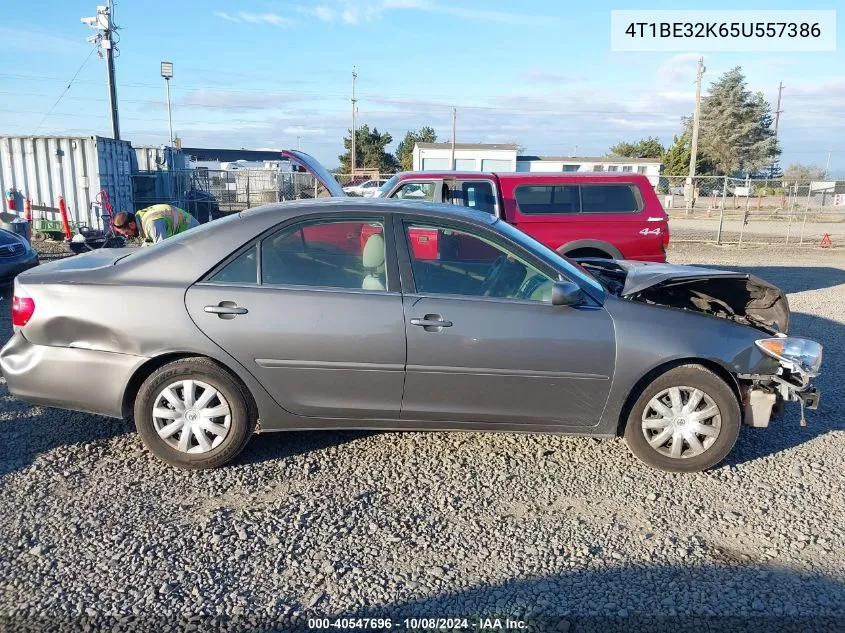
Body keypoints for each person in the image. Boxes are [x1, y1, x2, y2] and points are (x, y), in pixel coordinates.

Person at [112, 204, 200, 244]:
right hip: (186, 230)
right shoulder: (141, 217)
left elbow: (162, 250)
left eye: (126, 233)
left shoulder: (151, 225)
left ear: (132, 225)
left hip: (192, 231)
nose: (127, 236)